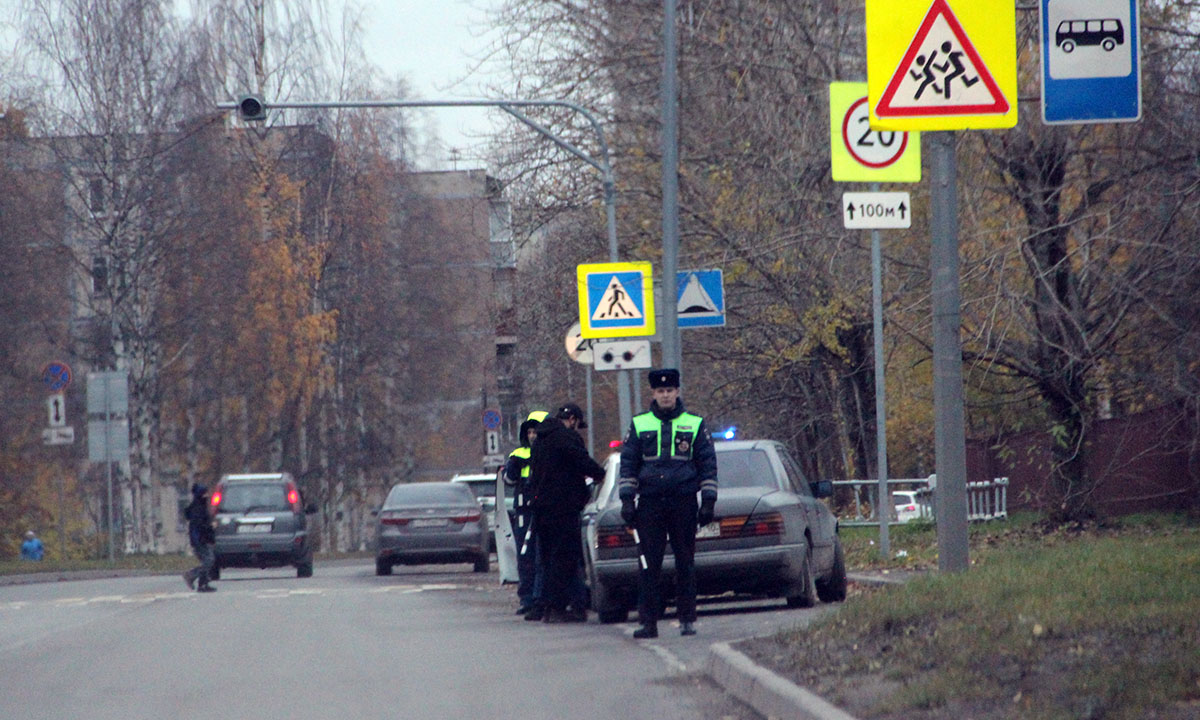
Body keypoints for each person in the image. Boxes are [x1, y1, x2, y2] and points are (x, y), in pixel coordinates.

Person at [619, 368, 717, 639]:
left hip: (683, 501)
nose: (665, 395)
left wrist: (708, 500)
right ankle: (648, 622)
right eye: (660, 391)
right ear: (653, 393)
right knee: (649, 565)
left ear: (677, 392)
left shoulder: (694, 423)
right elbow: (628, 464)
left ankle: (687, 619)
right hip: (650, 503)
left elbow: (707, 463)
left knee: (685, 562)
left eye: (669, 391)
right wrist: (627, 500)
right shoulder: (640, 424)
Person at [528, 402, 605, 623]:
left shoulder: (540, 440)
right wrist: (600, 474)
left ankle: (549, 606)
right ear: (572, 419)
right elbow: (582, 461)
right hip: (563, 506)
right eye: (577, 424)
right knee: (565, 558)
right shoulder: (566, 438)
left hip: (541, 507)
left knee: (548, 557)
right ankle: (558, 607)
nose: (577, 428)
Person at [505, 409, 548, 615]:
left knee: (543, 556)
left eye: (536, 432)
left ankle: (541, 597)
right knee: (526, 556)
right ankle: (527, 598)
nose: (532, 436)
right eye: (529, 432)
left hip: (544, 510)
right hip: (524, 511)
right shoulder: (518, 454)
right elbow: (509, 480)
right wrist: (513, 467)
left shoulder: (550, 451)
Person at [182, 483, 217, 592]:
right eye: (204, 493)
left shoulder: (199, 506)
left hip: (202, 538)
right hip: (200, 539)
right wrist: (211, 527)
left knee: (207, 560)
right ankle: (191, 575)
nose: (206, 496)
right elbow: (200, 525)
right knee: (209, 560)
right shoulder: (198, 508)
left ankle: (203, 584)